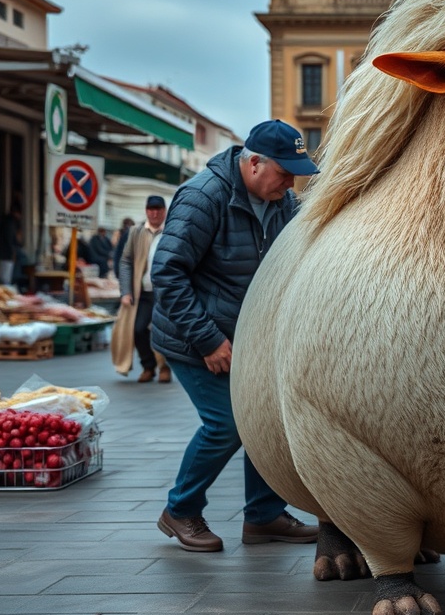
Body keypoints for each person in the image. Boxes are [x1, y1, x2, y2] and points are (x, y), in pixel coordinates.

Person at [151, 119, 320, 552]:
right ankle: (180, 509)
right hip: (192, 337)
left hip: (246, 339)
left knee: (262, 421)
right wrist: (207, 340)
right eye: (284, 172)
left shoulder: (282, 202)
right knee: (225, 423)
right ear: (255, 162)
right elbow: (167, 274)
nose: (291, 183)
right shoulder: (204, 196)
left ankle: (263, 516)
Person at [112, 196, 171, 384]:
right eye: (151, 209)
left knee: (161, 330)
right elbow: (125, 261)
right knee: (138, 329)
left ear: (164, 211)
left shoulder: (171, 232)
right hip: (143, 292)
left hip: (165, 293)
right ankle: (148, 366)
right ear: (146, 211)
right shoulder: (136, 232)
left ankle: (164, 367)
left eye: (158, 209)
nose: (155, 213)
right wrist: (125, 291)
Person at [0, 203, 21, 285]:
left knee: (2, 276)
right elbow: (9, 239)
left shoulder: (5, 221)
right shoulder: (10, 223)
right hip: (6, 254)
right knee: (5, 278)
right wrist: (12, 252)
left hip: (2, 253)